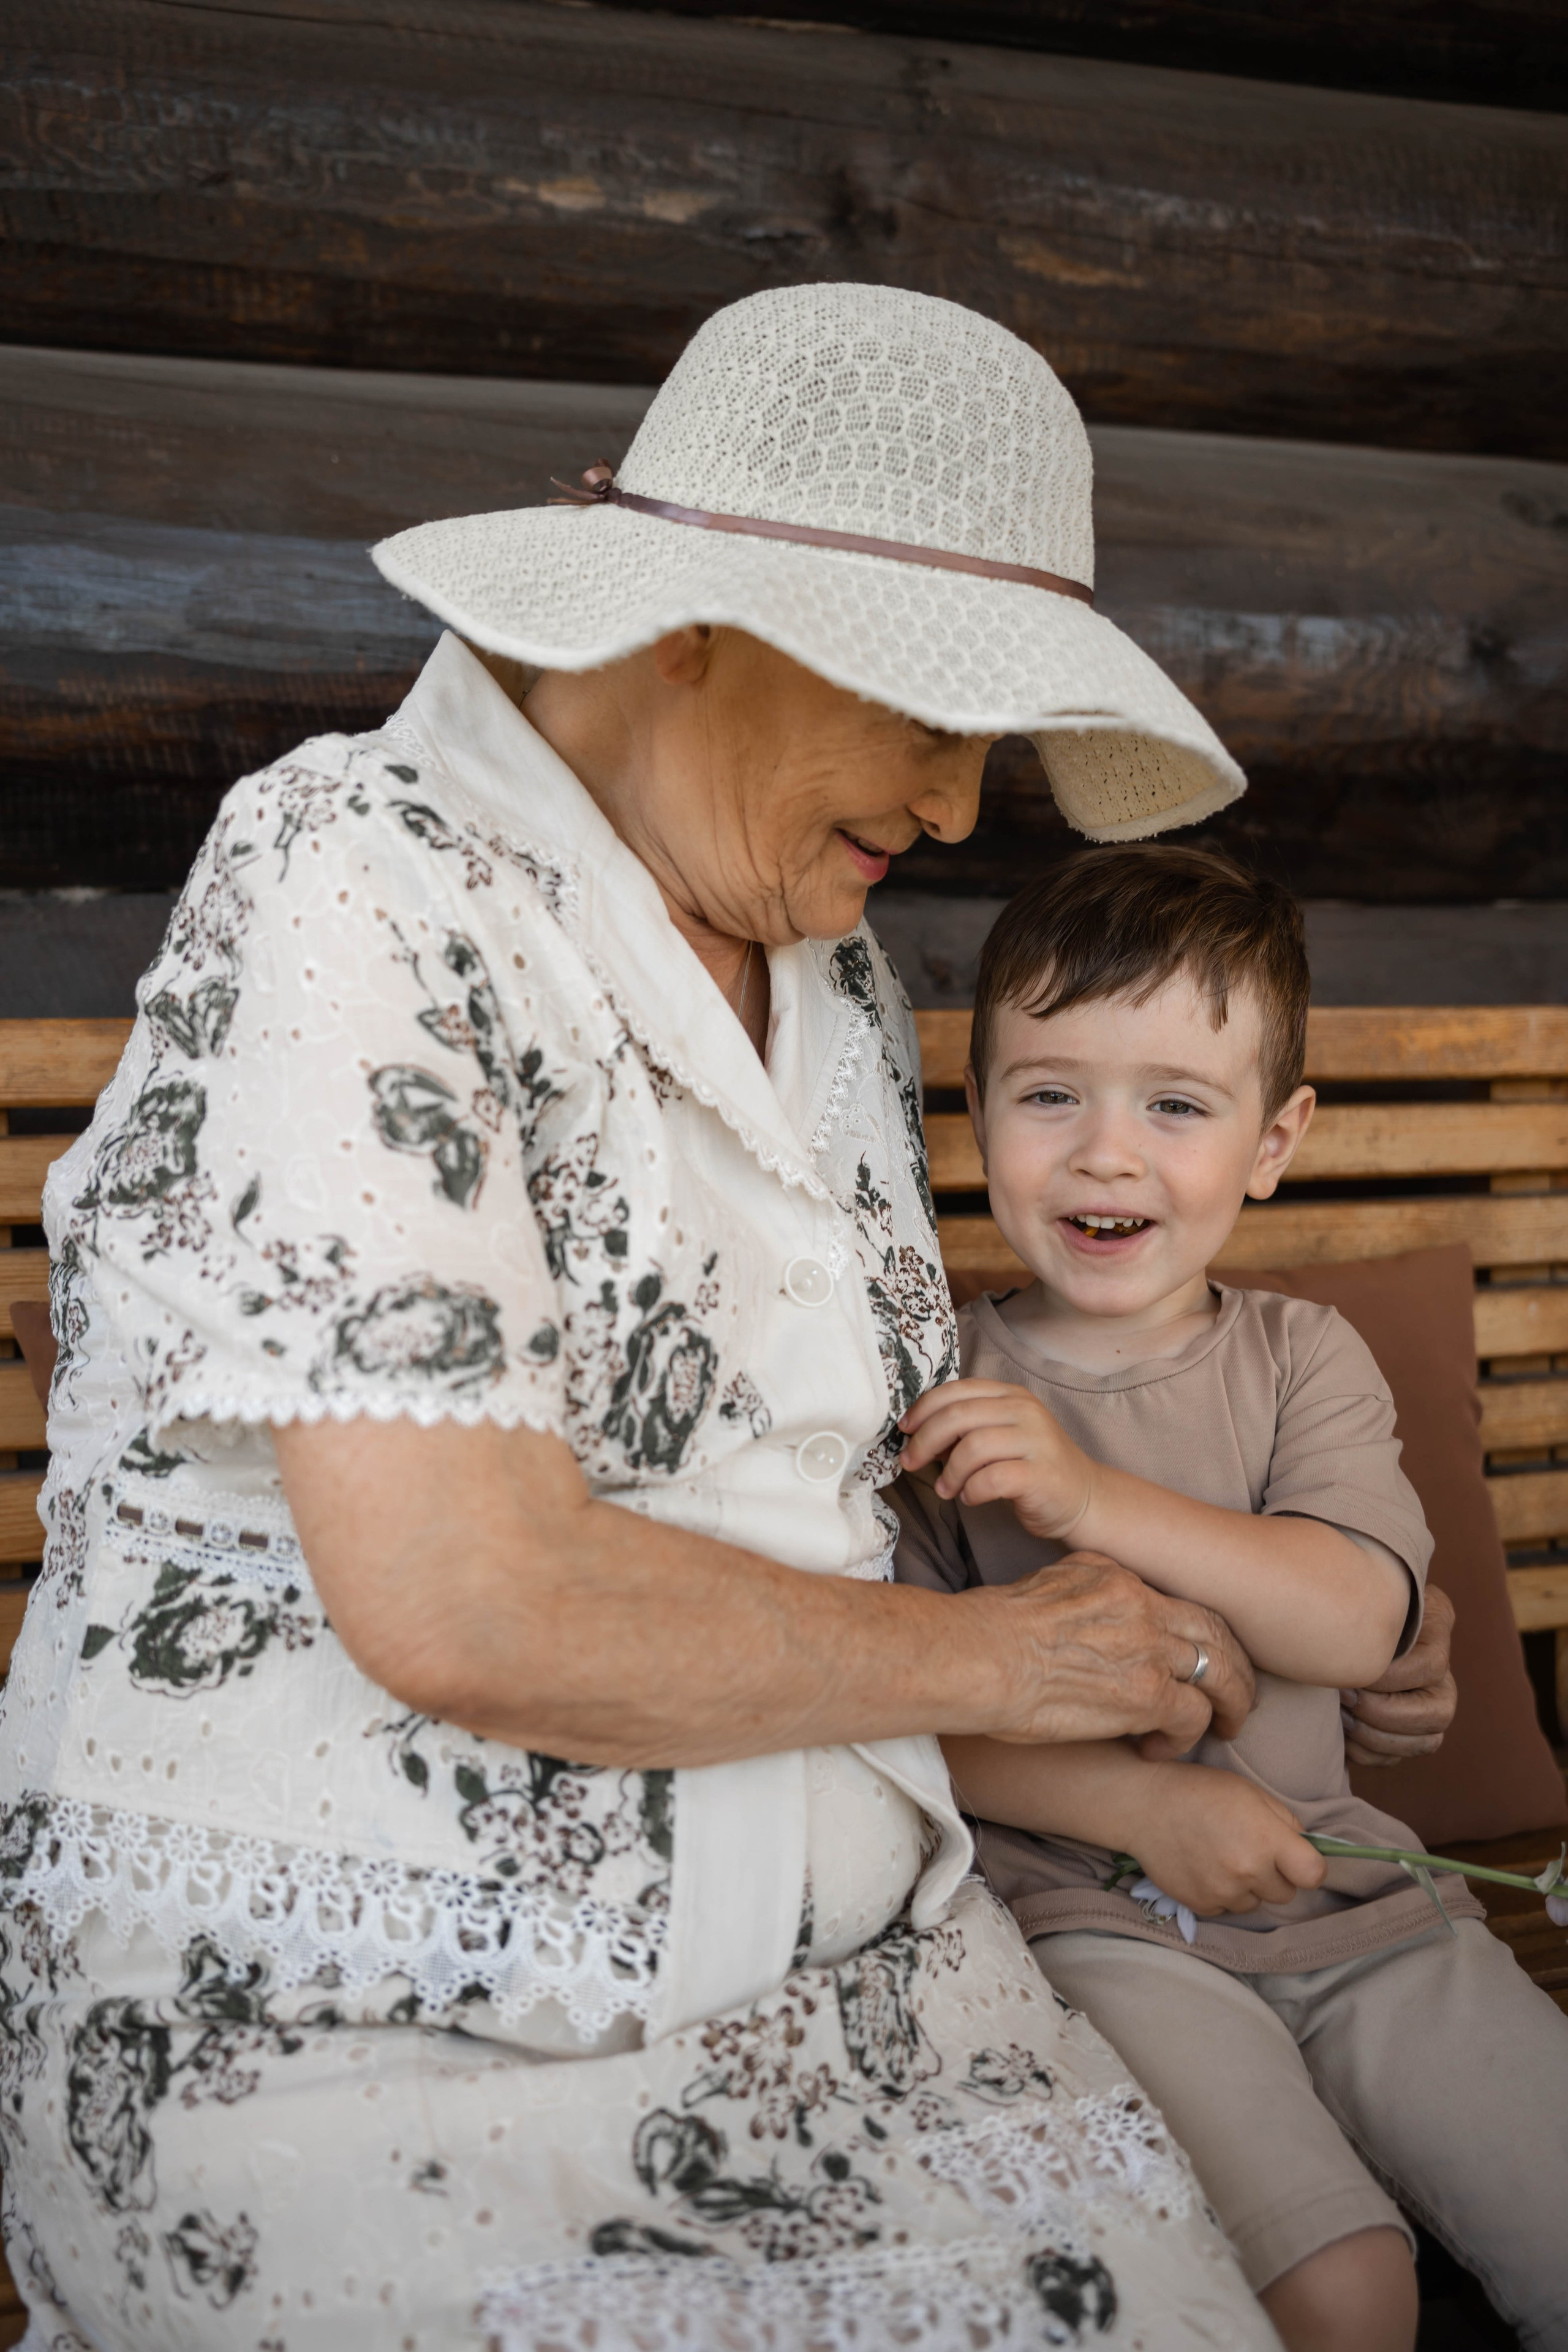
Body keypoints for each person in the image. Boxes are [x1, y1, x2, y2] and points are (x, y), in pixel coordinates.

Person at [0, 284, 1322, 2350]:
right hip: (377, 2017)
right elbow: (470, 1601)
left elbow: (814, 1523)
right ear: (688, 616)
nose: (966, 805)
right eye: (931, 711)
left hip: (861, 1989)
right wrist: (1004, 1656)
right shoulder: (362, 880)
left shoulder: (840, 978)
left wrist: (1127, 1722)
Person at [892, 846, 1568, 2352]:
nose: (1103, 1155)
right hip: (1092, 1923)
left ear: (1274, 1140)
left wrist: (1084, 1500)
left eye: (1176, 1106)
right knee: (1341, 2291)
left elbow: (1352, 1628)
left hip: (1365, 1906)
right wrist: (1141, 1814)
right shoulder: (937, 1391)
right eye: (1049, 1092)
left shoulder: (1297, 1359)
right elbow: (908, 1716)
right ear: (979, 1104)